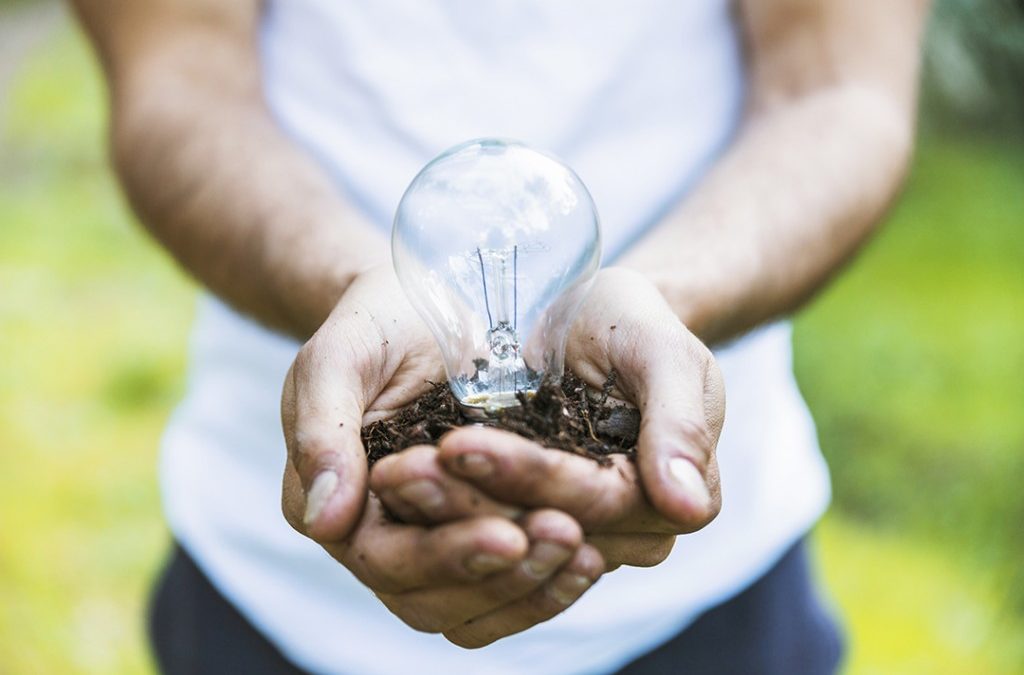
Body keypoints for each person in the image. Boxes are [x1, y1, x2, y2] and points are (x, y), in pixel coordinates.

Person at [71, 1, 929, 673]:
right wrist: (351, 291)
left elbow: (838, 89)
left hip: (708, 599)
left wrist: (660, 301)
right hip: (270, 588)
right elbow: (177, 80)